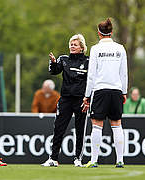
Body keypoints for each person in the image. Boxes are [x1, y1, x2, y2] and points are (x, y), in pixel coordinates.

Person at [82, 18, 128, 168]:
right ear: (111, 32)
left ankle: (94, 160)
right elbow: (124, 73)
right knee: (117, 125)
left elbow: (91, 75)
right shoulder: (120, 48)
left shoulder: (95, 49)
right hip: (116, 90)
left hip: (100, 90)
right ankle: (120, 160)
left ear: (99, 33)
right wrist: (124, 91)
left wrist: (87, 95)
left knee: (97, 125)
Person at [41, 34, 89, 167]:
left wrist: (88, 99)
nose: (72, 47)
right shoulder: (63, 59)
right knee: (58, 129)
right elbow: (54, 71)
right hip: (65, 100)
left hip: (81, 100)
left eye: (75, 45)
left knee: (80, 131)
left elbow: (91, 81)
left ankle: (78, 158)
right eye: (71, 44)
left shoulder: (88, 61)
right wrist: (53, 62)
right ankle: (53, 158)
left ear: (81, 47)